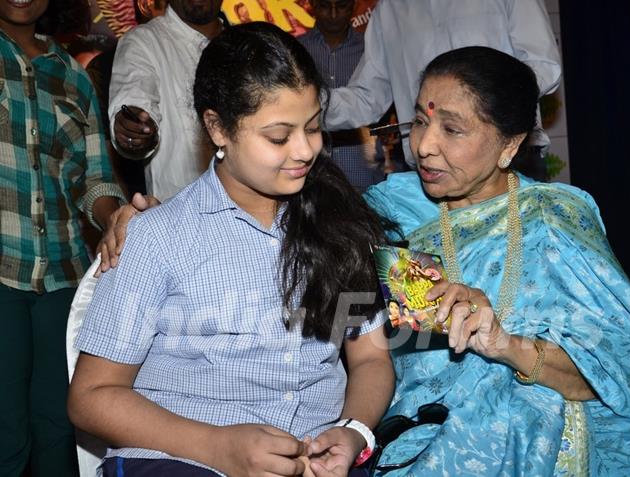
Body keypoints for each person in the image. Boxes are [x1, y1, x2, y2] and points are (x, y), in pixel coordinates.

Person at [362, 46, 630, 475]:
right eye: (420, 120)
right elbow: (412, 360)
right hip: (439, 430)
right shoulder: (395, 214)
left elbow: (622, 374)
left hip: (577, 419)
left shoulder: (554, 219)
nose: (423, 146)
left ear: (509, 145)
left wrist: (506, 345)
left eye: (452, 129)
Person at [68, 22, 394, 477]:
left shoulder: (339, 225)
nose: (305, 151)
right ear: (218, 129)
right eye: (279, 137)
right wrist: (217, 447)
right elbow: (92, 396)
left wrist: (353, 428)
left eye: (314, 128)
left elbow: (371, 356)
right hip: (183, 459)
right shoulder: (160, 236)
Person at [0, 0, 126, 475]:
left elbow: (93, 179)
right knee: (5, 436)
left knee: (59, 432)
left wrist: (116, 217)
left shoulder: (72, 76)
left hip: (63, 280)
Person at [325, 0, 562, 179]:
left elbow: (544, 67)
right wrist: (307, 105)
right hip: (428, 173)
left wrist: (484, 102)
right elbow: (367, 98)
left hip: (504, 161)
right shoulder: (389, 8)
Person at [108, 0, 223, 201]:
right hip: (184, 222)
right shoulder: (144, 41)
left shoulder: (250, 44)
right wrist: (133, 130)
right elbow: (135, 97)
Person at [297, 0, 384, 191]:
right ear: (312, 4)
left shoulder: (372, 52)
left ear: (354, 5)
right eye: (325, 5)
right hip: (311, 179)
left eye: (342, 6)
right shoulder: (296, 51)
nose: (334, 14)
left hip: (363, 172)